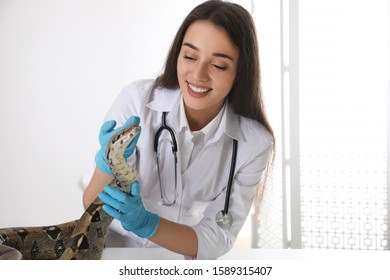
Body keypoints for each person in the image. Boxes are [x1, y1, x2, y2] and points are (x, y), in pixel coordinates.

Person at [83, 0, 275, 260]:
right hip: (115, 256)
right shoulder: (137, 101)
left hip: (183, 263)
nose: (198, 75)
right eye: (190, 56)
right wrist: (108, 163)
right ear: (178, 54)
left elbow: (218, 237)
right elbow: (91, 203)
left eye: (218, 65)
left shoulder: (253, 143)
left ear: (241, 71)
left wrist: (147, 224)